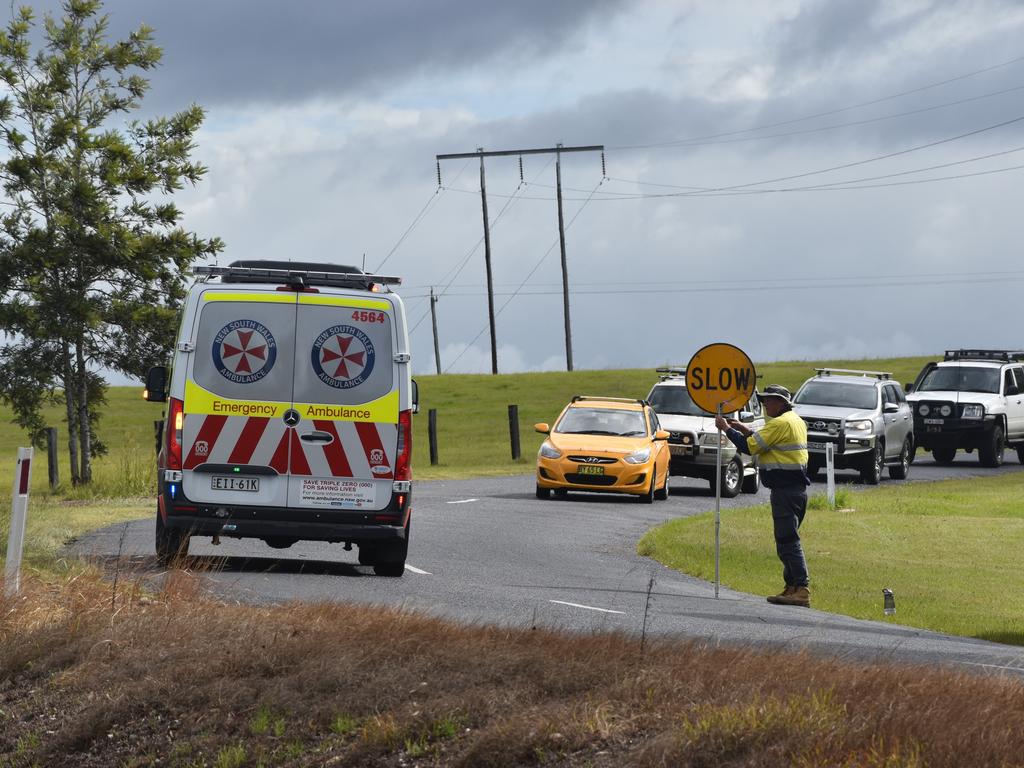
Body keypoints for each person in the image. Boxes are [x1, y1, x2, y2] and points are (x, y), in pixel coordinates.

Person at [714, 384, 811, 607]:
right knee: (786, 540)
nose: (765, 404)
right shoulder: (794, 421)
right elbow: (767, 443)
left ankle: (802, 588)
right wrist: (744, 429)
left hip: (785, 491)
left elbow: (750, 448)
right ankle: (792, 587)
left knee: (788, 541)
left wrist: (727, 429)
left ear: (781, 403)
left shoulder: (779, 422)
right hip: (794, 491)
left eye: (769, 400)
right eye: (764, 399)